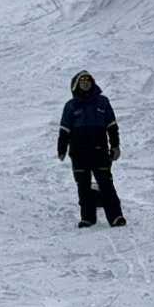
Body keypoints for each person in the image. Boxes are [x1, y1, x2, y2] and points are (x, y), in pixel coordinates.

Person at [57, 70, 126, 227]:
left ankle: (116, 217)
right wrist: (61, 149)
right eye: (82, 81)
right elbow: (64, 130)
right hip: (78, 153)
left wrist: (115, 146)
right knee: (83, 186)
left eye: (88, 81)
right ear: (76, 85)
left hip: (100, 151)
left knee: (106, 184)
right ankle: (87, 218)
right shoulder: (70, 106)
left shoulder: (103, 102)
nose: (86, 83)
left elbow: (112, 126)